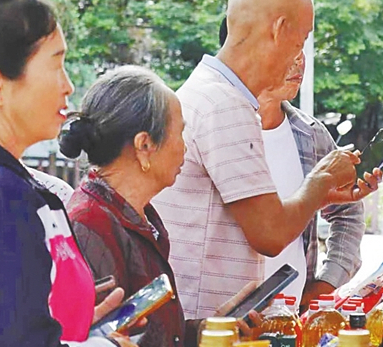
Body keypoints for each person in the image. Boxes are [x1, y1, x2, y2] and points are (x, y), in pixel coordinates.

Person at [152, 0, 379, 319]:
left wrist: (323, 194)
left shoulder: (207, 91)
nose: (299, 57)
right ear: (279, 29)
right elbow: (270, 234)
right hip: (212, 331)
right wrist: (321, 179)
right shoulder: (225, 104)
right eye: (301, 40)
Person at [62, 66, 258, 347]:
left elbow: (151, 333)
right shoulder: (90, 226)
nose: (184, 148)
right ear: (144, 145)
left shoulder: (140, 216)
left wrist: (206, 330)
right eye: (180, 133)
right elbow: (104, 340)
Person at [0, 0, 136, 347]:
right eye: (56, 64)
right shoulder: (5, 195)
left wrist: (77, 331)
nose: (68, 86)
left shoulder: (20, 188)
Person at [219, 18, 368, 310]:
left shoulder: (310, 134)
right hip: (218, 319)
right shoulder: (213, 124)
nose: (299, 61)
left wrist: (327, 282)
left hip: (291, 318)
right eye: (289, 48)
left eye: (302, 48)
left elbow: (348, 212)